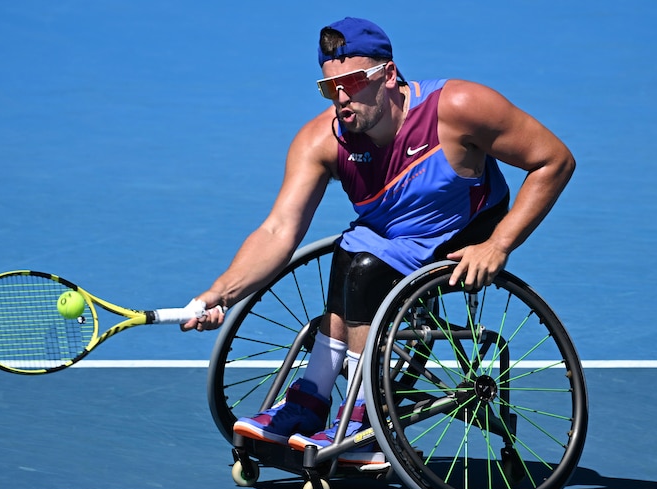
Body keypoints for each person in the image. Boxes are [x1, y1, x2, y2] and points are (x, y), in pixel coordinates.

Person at [182, 17, 575, 463]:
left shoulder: (460, 107)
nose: (341, 99)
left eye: (351, 83)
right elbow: (279, 230)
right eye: (330, 88)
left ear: (388, 75)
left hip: (464, 230)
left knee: (364, 265)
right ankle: (309, 402)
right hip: (385, 237)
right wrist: (222, 292)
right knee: (348, 256)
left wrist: (500, 244)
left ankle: (366, 423)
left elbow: (554, 161)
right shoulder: (321, 141)